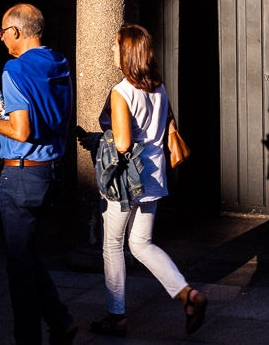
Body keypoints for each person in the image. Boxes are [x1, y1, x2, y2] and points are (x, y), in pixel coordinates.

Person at [79, 23, 207, 338]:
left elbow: (122, 144)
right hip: (152, 176)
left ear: (127, 52)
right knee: (141, 243)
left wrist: (100, 140)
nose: (112, 50)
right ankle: (187, 294)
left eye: (115, 45)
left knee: (113, 245)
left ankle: (116, 316)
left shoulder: (121, 91)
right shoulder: (158, 88)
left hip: (125, 180)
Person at [0, 3, 76, 345]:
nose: (2, 37)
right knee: (26, 253)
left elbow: (20, 131)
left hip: (21, 176)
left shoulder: (14, 69)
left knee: (19, 267)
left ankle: (30, 339)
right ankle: (60, 320)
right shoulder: (58, 62)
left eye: (3, 31)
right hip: (52, 172)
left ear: (17, 32)